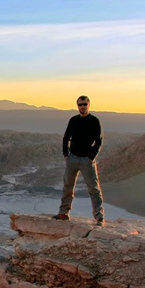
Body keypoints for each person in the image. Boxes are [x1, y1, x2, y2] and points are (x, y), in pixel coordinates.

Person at [54, 95, 105, 226]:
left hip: (86, 160)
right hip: (72, 158)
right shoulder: (73, 120)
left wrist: (91, 157)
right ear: (77, 106)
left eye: (84, 104)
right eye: (80, 105)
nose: (82, 107)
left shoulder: (94, 121)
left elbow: (98, 141)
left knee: (93, 188)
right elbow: (66, 137)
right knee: (67, 186)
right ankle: (63, 213)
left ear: (89, 105)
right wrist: (66, 154)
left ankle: (99, 217)